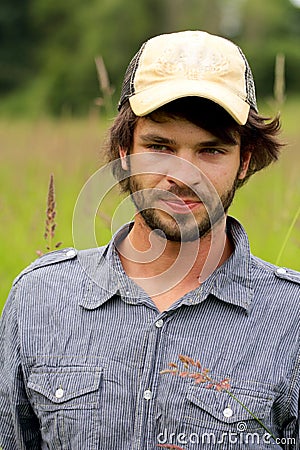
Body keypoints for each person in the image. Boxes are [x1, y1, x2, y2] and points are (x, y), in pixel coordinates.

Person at [0, 30, 299, 450]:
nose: (182, 175)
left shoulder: (292, 319)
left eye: (211, 151)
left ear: (244, 162)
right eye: (159, 146)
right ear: (125, 152)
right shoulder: (39, 298)